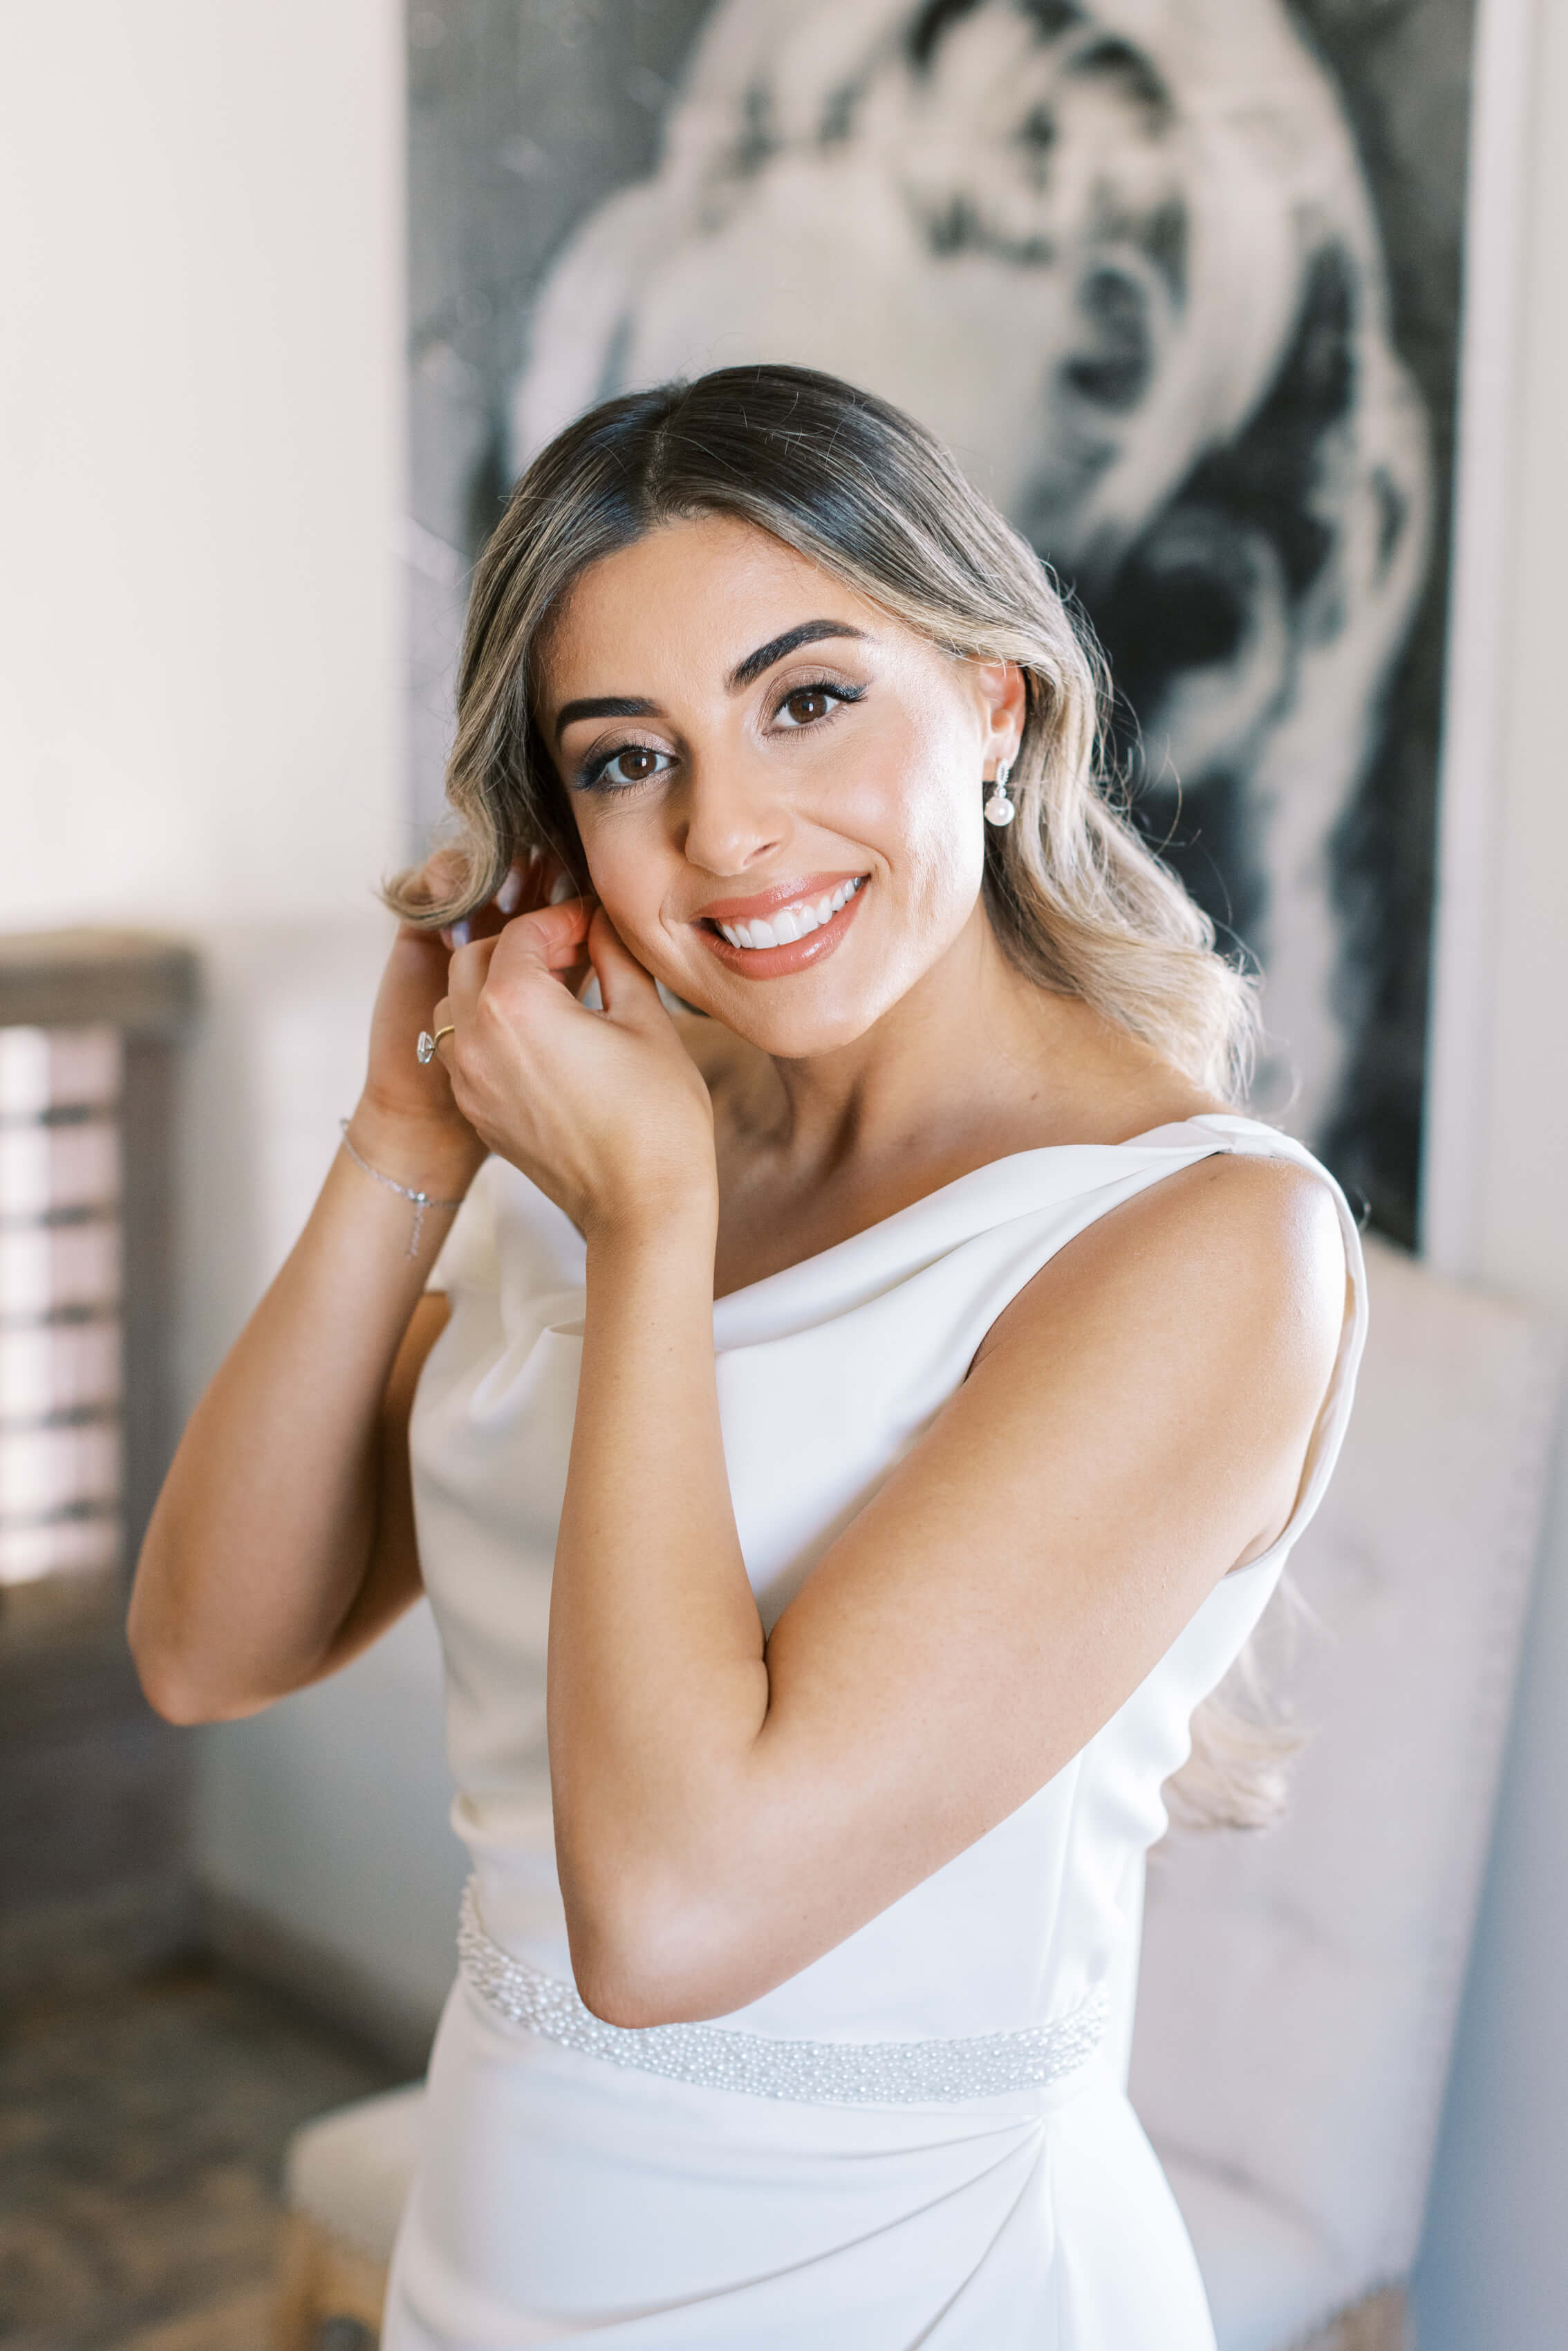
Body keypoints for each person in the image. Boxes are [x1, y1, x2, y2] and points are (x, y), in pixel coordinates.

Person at [131, 365, 1364, 2348]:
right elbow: (213, 1645)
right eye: (626, 761)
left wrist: (650, 1223)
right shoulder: (606, 1112)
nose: (725, 830)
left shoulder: (1199, 1241)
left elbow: (673, 1916)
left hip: (908, 2288)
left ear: (990, 701)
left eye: (806, 699)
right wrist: (408, 1143)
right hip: (503, 2243)